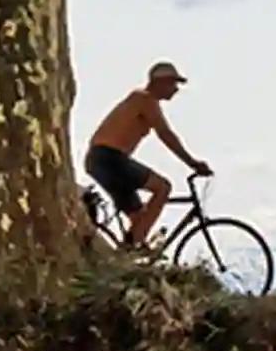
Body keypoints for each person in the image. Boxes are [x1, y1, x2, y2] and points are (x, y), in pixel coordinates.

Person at [85, 62, 213, 249]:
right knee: (163, 188)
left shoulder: (141, 100)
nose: (176, 90)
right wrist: (193, 164)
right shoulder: (145, 99)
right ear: (159, 82)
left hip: (99, 160)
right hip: (109, 157)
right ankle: (131, 251)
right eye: (173, 84)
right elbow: (166, 135)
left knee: (140, 219)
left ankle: (124, 255)